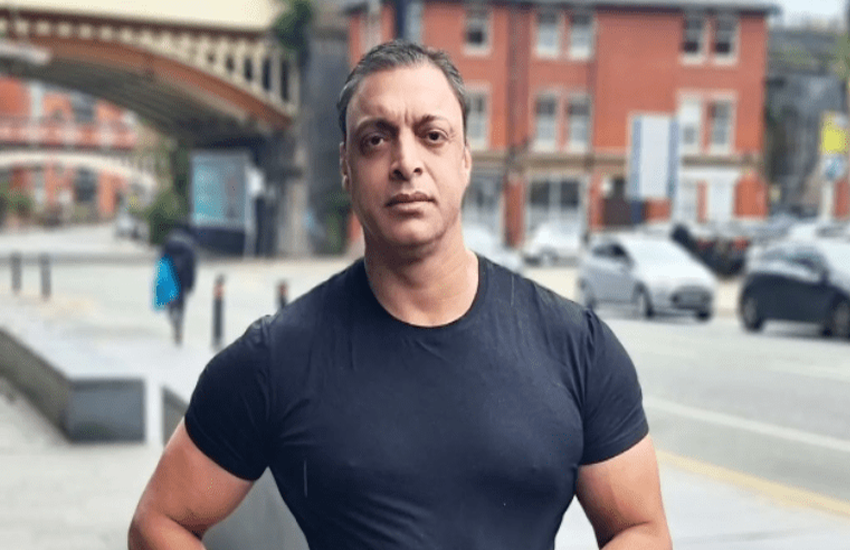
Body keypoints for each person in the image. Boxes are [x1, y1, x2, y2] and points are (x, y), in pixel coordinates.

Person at [129, 40, 671, 550]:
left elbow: (641, 528)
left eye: (432, 135)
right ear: (346, 167)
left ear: (465, 159)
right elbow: (159, 522)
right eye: (376, 139)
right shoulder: (276, 358)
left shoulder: (577, 346)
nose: (405, 161)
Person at [161, 223, 196, 345]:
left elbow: (162, 260)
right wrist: (191, 283)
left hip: (170, 275)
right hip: (183, 276)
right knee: (181, 303)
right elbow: (192, 266)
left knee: (170, 301)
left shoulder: (169, 241)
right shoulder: (189, 243)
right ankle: (179, 323)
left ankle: (173, 316)